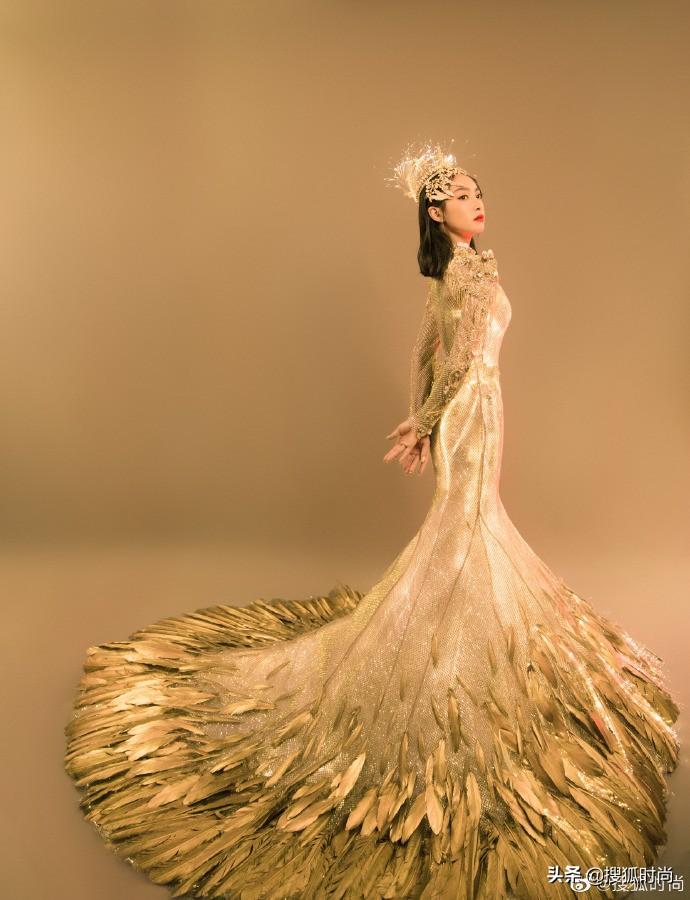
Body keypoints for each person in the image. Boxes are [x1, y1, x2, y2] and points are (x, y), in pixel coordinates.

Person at [64, 142, 680, 899]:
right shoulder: (464, 274)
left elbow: (427, 349)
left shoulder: (457, 271)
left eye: (479, 191)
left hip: (472, 414)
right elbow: (453, 359)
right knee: (464, 536)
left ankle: (462, 654)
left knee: (469, 535)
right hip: (471, 416)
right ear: (436, 211)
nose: (477, 202)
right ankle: (449, 673)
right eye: (463, 195)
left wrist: (422, 416)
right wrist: (429, 418)